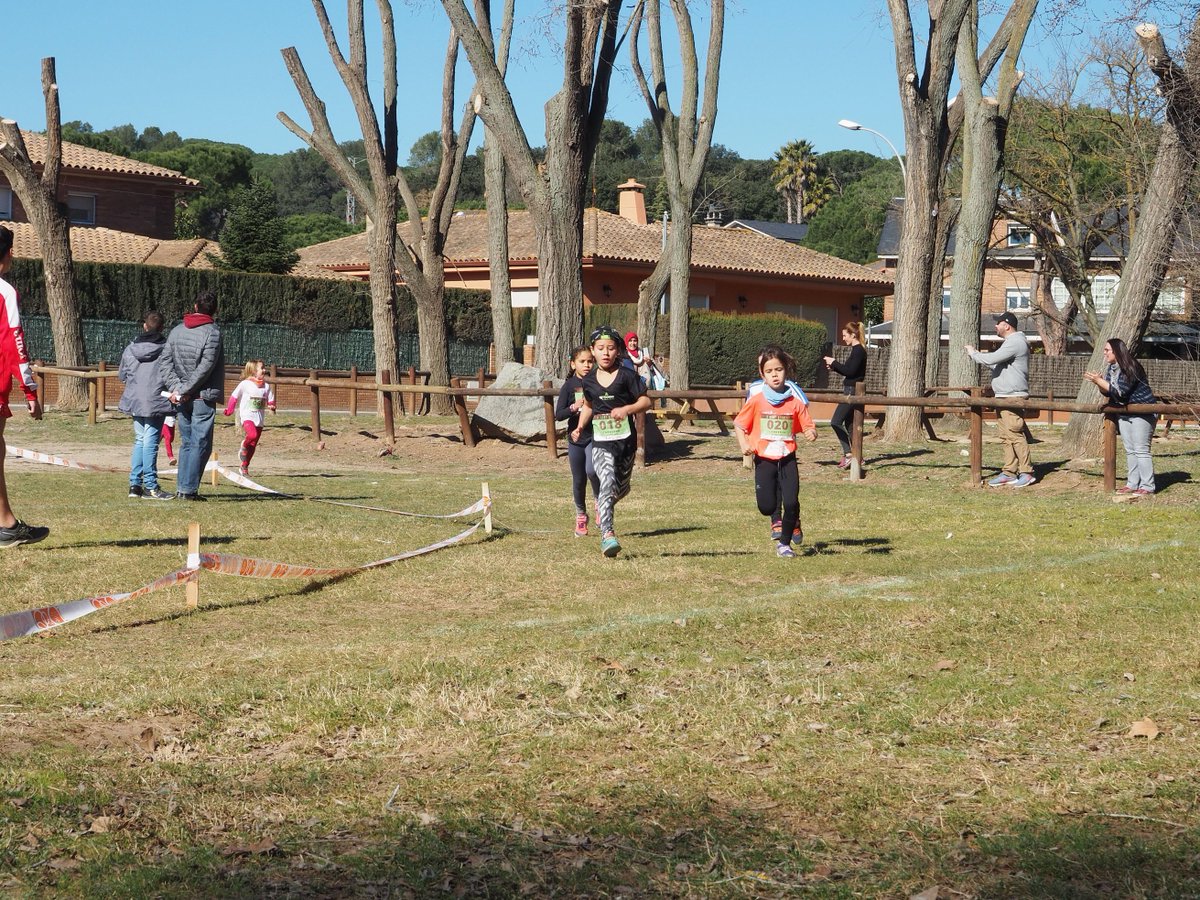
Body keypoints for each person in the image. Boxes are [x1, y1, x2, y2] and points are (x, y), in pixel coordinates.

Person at [572, 325, 652, 558]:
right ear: (593, 350)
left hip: (625, 443)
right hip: (600, 441)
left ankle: (611, 499)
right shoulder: (588, 381)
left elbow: (646, 402)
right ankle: (607, 535)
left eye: (610, 348)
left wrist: (627, 409)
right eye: (600, 348)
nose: (605, 353)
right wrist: (580, 427)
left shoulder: (627, 376)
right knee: (606, 481)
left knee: (620, 488)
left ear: (618, 350)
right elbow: (588, 406)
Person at [734, 346, 817, 559]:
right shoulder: (756, 401)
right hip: (764, 460)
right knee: (766, 506)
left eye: (778, 370)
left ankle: (784, 544)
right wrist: (744, 445)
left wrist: (811, 432)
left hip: (787, 458)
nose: (775, 375)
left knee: (790, 503)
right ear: (762, 374)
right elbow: (739, 424)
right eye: (769, 371)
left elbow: (808, 425)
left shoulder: (795, 402)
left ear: (785, 370)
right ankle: (781, 520)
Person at [0, 226, 49, 548]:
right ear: (9, 253)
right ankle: (6, 526)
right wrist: (30, 392)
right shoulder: (4, 292)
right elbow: (14, 344)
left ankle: (6, 523)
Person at [158, 290, 224, 501]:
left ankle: (183, 488)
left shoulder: (176, 331)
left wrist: (178, 389)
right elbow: (205, 368)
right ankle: (187, 489)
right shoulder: (213, 333)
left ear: (195, 306)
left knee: (187, 442)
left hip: (182, 395)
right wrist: (184, 390)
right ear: (215, 310)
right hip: (201, 397)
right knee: (200, 444)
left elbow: (165, 362)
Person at [966, 311, 1035, 487]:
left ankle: (1027, 472)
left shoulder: (1015, 342)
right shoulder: (1011, 343)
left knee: (1015, 434)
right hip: (1004, 396)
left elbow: (992, 358)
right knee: (1006, 436)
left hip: (1012, 397)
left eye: (998, 323)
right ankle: (1009, 472)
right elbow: (996, 363)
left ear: (1007, 325)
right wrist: (978, 356)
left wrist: (974, 354)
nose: (995, 326)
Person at [1084, 338, 1157, 497]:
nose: (1104, 353)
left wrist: (1100, 381)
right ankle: (1132, 484)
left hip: (1143, 413)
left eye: (1107, 350)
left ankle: (1148, 486)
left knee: (1141, 450)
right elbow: (1110, 392)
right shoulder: (1111, 368)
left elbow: (1121, 392)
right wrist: (1099, 383)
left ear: (1116, 351)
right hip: (1125, 413)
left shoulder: (1131, 366)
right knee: (1130, 450)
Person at [117, 311, 175, 500]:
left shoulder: (130, 349)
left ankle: (135, 485)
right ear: (162, 327)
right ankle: (150, 486)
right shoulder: (167, 349)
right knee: (150, 442)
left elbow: (122, 375)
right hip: (156, 399)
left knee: (141, 440)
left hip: (135, 399)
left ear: (145, 326)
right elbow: (171, 374)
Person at [555, 346, 601, 537]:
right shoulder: (569, 386)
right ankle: (581, 516)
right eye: (582, 361)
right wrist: (574, 407)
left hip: (594, 435)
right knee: (579, 480)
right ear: (573, 364)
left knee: (592, 470)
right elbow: (559, 414)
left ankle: (599, 504)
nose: (587, 365)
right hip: (575, 439)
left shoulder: (599, 382)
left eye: (590, 361)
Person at [823, 321, 867, 469]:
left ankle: (848, 454)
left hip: (852, 392)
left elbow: (850, 372)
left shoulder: (858, 351)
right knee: (850, 425)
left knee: (835, 421)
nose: (843, 338)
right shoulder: (856, 350)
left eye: (845, 335)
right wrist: (834, 367)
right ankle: (858, 456)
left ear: (853, 335)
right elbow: (848, 370)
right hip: (850, 389)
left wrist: (834, 362)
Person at [224, 359, 276, 476]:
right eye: (261, 368)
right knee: (252, 435)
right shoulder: (245, 384)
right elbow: (234, 396)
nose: (264, 370)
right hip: (247, 416)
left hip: (259, 418)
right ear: (253, 371)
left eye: (264, 367)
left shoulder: (266, 386)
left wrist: (272, 405)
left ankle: (244, 466)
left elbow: (271, 399)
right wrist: (229, 409)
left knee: (253, 444)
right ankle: (244, 446)